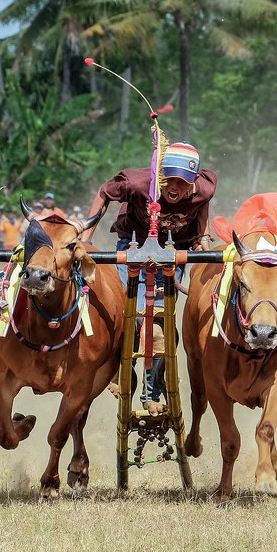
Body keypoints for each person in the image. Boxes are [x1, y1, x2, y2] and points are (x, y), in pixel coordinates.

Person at [83, 142, 217, 414]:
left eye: (182, 183)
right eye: (169, 180)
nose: (174, 188)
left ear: (193, 183)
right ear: (160, 175)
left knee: (158, 324)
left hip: (172, 250)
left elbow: (203, 203)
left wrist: (202, 235)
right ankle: (116, 372)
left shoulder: (204, 187)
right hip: (131, 248)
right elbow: (104, 193)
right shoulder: (136, 183)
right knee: (125, 315)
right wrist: (85, 237)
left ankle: (150, 392)